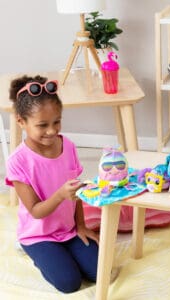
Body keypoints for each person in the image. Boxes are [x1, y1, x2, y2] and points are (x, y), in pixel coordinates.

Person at [5, 75, 99, 293]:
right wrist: (60, 195)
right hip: (38, 235)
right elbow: (36, 212)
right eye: (42, 125)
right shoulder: (18, 161)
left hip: (68, 229)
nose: (52, 130)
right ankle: (35, 253)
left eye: (57, 121)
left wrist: (81, 226)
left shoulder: (69, 146)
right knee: (69, 284)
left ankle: (64, 251)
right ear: (21, 122)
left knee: (98, 271)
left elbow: (74, 194)